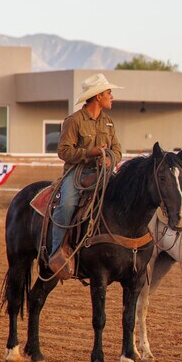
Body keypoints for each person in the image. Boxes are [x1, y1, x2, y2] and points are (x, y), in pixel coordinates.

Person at [49, 73, 123, 276]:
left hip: (103, 173)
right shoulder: (74, 121)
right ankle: (57, 255)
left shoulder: (108, 122)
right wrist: (90, 153)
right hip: (77, 173)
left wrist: (110, 159)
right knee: (66, 205)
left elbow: (117, 151)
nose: (112, 96)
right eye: (109, 92)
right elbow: (64, 152)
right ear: (98, 96)